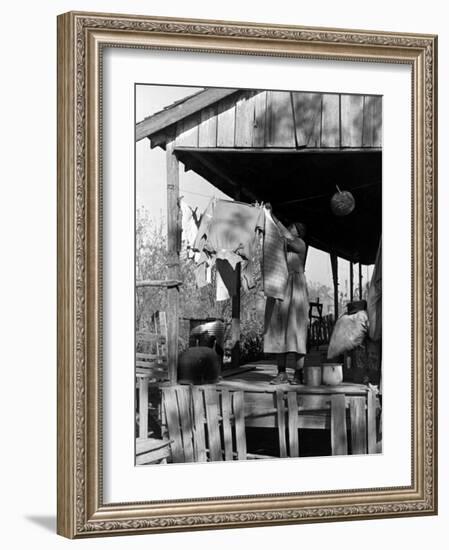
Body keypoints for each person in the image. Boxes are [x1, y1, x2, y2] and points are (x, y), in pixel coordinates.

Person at [263, 219, 309, 384]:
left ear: (299, 232)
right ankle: (281, 373)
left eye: (294, 226)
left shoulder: (300, 245)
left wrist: (273, 218)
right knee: (278, 330)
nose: (290, 227)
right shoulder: (282, 245)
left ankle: (298, 373)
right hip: (280, 286)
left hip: (295, 289)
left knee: (296, 330)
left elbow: (286, 237)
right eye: (290, 226)